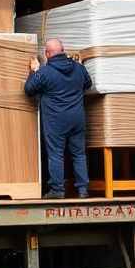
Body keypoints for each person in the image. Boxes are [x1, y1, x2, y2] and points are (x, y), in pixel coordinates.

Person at [24, 38, 92, 199]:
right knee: (79, 154)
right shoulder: (79, 68)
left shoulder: (44, 72)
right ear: (63, 50)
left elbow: (28, 90)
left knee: (56, 154)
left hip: (56, 120)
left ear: (47, 54)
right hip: (77, 119)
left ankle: (58, 190)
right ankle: (83, 190)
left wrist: (33, 71)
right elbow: (88, 84)